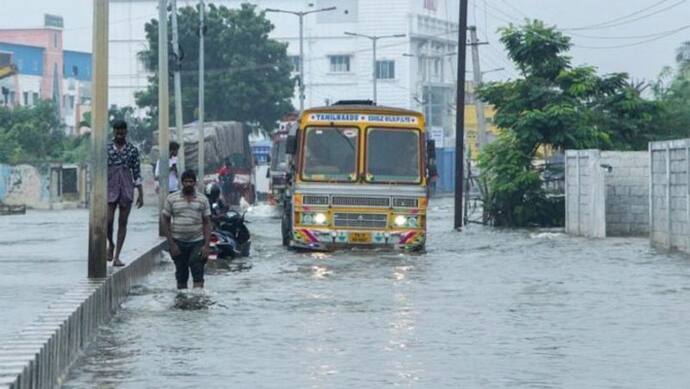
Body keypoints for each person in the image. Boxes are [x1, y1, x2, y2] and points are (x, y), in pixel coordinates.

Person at [162, 169, 212, 289]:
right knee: (181, 274)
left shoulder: (202, 199)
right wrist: (171, 244)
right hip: (178, 242)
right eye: (186, 181)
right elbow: (165, 220)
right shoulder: (171, 199)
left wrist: (206, 245)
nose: (188, 184)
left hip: (197, 242)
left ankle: (197, 301)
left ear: (195, 183)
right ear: (182, 183)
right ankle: (182, 303)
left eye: (191, 181)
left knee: (197, 270)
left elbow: (207, 222)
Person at [107, 119, 143, 267]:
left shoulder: (132, 150)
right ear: (114, 131)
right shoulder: (107, 148)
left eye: (122, 131)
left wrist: (140, 193)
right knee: (107, 221)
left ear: (126, 132)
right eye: (117, 131)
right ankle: (111, 243)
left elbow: (136, 171)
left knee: (123, 222)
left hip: (127, 187)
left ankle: (117, 257)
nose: (120, 134)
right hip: (110, 186)